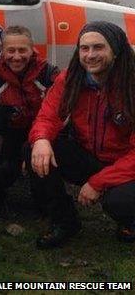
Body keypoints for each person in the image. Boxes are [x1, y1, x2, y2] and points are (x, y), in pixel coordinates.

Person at [28, 21, 135, 248]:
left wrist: (97, 183)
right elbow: (47, 118)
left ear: (115, 51)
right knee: (35, 151)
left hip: (127, 166)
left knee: (119, 202)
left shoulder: (130, 85)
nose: (90, 55)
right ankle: (64, 221)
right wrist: (41, 140)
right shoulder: (71, 79)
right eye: (84, 48)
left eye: (98, 48)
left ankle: (130, 221)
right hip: (91, 157)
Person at [0, 26, 59, 209]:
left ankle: (45, 199)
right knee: (2, 166)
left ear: (32, 49)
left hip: (40, 133)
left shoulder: (48, 73)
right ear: (2, 50)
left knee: (39, 156)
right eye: (11, 50)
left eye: (22, 50)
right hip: (9, 133)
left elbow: (61, 109)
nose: (16, 57)